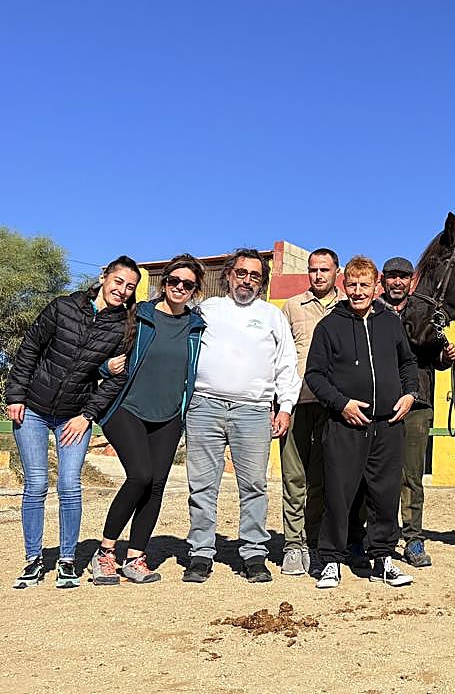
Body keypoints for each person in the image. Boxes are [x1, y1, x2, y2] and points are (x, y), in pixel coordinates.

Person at [6, 256, 141, 589]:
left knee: (69, 486)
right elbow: (29, 349)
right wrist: (15, 395)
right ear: (104, 277)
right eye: (119, 281)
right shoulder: (62, 307)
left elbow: (115, 379)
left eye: (130, 287)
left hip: (75, 416)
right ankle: (33, 560)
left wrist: (87, 416)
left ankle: (67, 560)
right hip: (33, 409)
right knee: (36, 485)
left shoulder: (124, 326)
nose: (122, 291)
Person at [82, 255, 206, 585]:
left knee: (156, 486)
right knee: (139, 475)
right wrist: (104, 368)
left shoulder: (197, 327)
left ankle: (136, 556)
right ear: (163, 283)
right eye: (174, 281)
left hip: (168, 416)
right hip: (126, 409)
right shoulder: (137, 316)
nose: (180, 287)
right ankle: (105, 552)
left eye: (188, 284)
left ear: (195, 289)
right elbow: (98, 358)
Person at [183, 249, 299, 584]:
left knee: (254, 486)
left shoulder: (272, 316)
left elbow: (286, 364)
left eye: (254, 276)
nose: (246, 280)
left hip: (254, 411)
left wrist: (286, 406)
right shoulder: (207, 309)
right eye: (241, 273)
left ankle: (253, 553)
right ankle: (201, 552)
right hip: (205, 406)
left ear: (262, 283)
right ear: (228, 275)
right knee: (202, 485)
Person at [305, 256, 420, 590]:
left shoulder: (390, 321)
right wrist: (341, 404)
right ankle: (331, 561)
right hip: (345, 424)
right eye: (352, 285)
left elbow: (408, 362)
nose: (357, 291)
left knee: (385, 494)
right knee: (338, 495)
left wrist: (410, 393)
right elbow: (315, 374)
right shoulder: (330, 325)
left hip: (388, 424)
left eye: (364, 285)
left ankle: (383, 559)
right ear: (344, 285)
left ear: (375, 285)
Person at [378, 255, 455, 568]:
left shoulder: (425, 310)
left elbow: (435, 353)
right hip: (378, 403)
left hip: (418, 402)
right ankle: (367, 537)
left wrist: (446, 354)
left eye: (403, 277)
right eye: (392, 276)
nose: (397, 282)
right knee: (372, 475)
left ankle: (412, 539)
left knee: (411, 476)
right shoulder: (372, 309)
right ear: (383, 280)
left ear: (411, 281)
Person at [279, 248, 344, 577]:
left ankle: (316, 540)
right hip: (295, 402)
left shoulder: (348, 307)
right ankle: (293, 543)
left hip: (333, 405)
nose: (318, 275)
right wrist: (276, 403)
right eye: (313, 270)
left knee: (324, 477)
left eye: (325, 270)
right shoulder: (292, 307)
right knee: (294, 476)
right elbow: (279, 355)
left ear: (337, 271)